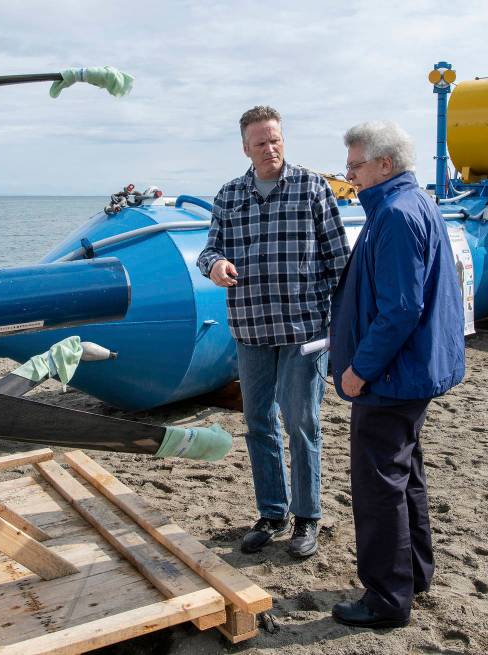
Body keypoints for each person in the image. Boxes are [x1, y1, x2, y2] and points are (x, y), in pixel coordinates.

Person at [328, 121, 465, 628]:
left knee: (379, 486)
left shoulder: (396, 214)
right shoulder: (414, 204)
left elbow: (400, 309)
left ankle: (386, 599)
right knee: (405, 476)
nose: (349, 175)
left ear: (385, 164)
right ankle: (415, 573)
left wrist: (359, 370)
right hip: (410, 375)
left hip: (390, 378)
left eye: (355, 165)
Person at [197, 106, 350, 558]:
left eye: (276, 139)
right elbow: (209, 250)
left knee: (303, 423)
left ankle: (308, 518)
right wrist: (216, 266)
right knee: (258, 422)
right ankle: (272, 512)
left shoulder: (311, 187)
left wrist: (341, 322)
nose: (271, 148)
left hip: (304, 329)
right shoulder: (229, 196)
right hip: (250, 327)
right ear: (246, 148)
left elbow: (339, 258)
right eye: (261, 142)